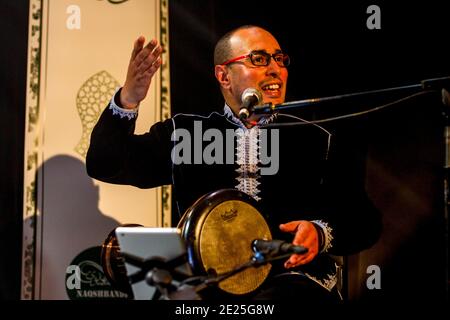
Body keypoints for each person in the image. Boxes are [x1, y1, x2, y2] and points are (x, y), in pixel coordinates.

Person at [86, 25, 382, 301]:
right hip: (211, 292)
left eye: (279, 59)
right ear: (224, 76)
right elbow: (105, 163)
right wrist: (129, 98)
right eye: (259, 59)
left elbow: (364, 221)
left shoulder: (316, 138)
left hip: (298, 286)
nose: (275, 69)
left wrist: (319, 233)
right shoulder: (186, 134)